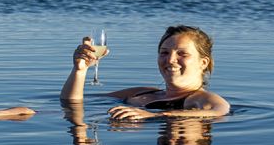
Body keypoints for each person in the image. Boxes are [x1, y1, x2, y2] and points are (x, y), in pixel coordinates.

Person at [61, 25, 231, 120]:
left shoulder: (203, 99)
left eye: (182, 54)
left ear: (203, 62)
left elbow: (219, 111)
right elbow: (74, 104)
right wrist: (79, 70)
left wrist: (154, 115)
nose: (170, 60)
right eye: (164, 53)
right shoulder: (142, 92)